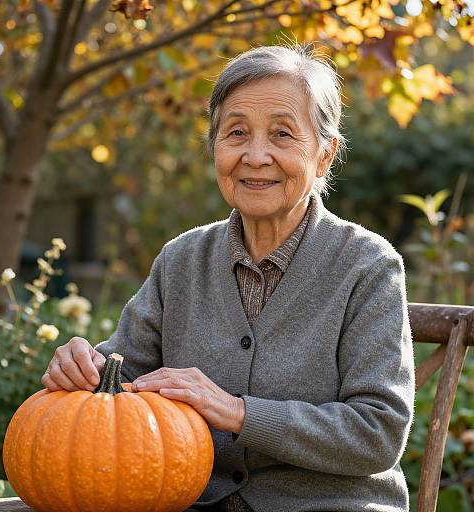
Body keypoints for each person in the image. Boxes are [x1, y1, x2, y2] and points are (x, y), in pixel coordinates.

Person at [42, 43, 415, 512]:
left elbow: (377, 433)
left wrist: (238, 412)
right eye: (236, 133)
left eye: (282, 134)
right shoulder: (181, 260)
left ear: (324, 155)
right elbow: (125, 375)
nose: (256, 156)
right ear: (215, 147)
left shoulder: (368, 266)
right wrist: (83, 368)